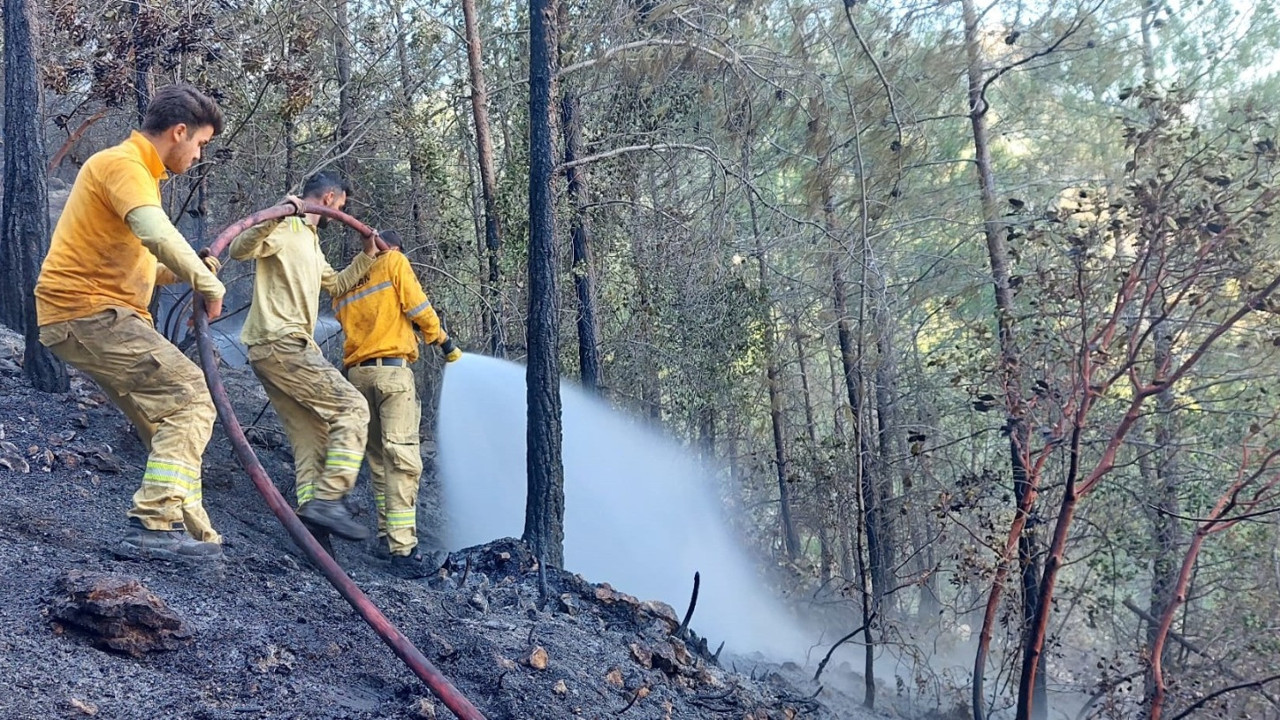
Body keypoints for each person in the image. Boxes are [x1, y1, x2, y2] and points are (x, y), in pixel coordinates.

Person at [34, 84, 228, 561]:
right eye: (200, 143)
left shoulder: (137, 176)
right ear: (179, 132)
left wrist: (188, 268)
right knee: (192, 396)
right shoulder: (125, 165)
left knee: (169, 420)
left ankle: (196, 539)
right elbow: (156, 233)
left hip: (92, 313)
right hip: (88, 311)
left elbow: (144, 261)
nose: (199, 154)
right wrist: (206, 281)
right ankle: (154, 526)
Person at [229, 171, 377, 547]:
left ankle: (312, 538)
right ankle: (329, 500)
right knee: (353, 409)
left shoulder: (311, 242)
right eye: (341, 206)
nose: (339, 213)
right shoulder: (285, 227)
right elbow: (238, 250)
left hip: (283, 349)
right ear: (329, 198)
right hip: (280, 344)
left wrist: (367, 256)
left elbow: (337, 284)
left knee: (314, 439)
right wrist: (280, 213)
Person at [332, 229, 461, 577]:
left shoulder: (348, 282)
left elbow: (365, 316)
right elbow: (418, 305)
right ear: (392, 248)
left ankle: (386, 537)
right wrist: (441, 340)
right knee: (402, 458)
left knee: (377, 458)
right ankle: (403, 550)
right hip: (392, 374)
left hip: (357, 377)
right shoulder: (394, 261)